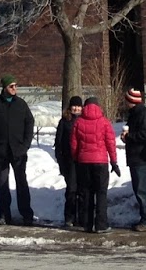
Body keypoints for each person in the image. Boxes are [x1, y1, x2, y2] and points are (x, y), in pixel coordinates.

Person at [0, 75, 35, 226]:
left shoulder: (21, 104)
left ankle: (26, 214)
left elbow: (29, 123)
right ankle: (5, 214)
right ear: (4, 87)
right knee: (2, 184)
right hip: (1, 152)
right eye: (11, 86)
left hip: (18, 151)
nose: (14, 88)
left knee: (21, 183)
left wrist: (25, 145)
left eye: (16, 86)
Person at [70, 93, 117, 234]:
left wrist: (76, 158)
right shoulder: (105, 122)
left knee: (86, 193)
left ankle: (87, 224)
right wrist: (114, 161)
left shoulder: (78, 122)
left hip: (84, 162)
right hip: (100, 162)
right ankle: (101, 224)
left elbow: (74, 144)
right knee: (101, 193)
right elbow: (111, 143)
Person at [120, 87, 146, 231]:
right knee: (143, 190)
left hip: (142, 158)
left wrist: (129, 136)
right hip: (140, 157)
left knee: (142, 190)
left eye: (127, 100)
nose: (125, 103)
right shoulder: (137, 114)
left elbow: (145, 135)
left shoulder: (142, 114)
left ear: (131, 101)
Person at [53, 96, 84, 229]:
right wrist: (61, 162)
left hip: (82, 161)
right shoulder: (64, 121)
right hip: (69, 161)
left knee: (82, 191)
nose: (76, 108)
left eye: (78, 106)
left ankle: (82, 218)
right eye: (74, 106)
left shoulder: (84, 120)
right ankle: (69, 217)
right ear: (70, 107)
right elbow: (58, 143)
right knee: (71, 190)